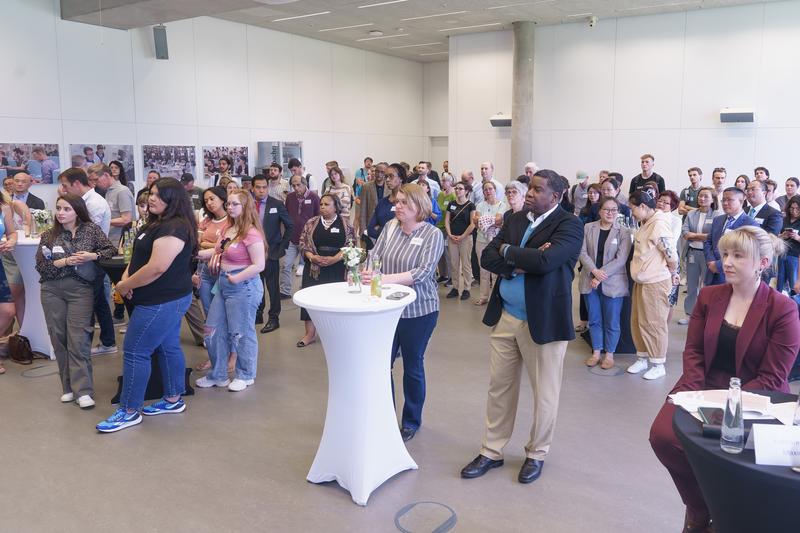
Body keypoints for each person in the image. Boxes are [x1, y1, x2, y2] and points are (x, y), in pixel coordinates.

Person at [650, 226, 799, 533]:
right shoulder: (708, 296)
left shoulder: (782, 309)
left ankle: (723, 515)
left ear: (763, 262)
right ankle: (700, 508)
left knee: (728, 455)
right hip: (703, 385)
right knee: (664, 437)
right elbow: (693, 351)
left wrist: (724, 408)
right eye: (726, 253)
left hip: (757, 396)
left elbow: (772, 377)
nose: (727, 261)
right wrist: (693, 393)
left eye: (738, 256)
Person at [460, 169, 583, 485]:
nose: (529, 193)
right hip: (507, 317)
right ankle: (491, 451)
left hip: (542, 322)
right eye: (529, 188)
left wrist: (509, 253)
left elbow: (547, 262)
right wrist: (517, 258)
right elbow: (488, 256)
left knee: (544, 393)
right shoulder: (515, 219)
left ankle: (537, 453)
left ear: (554, 197)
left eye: (537, 189)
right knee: (499, 387)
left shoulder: (570, 225)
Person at [96, 178, 197, 433]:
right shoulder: (156, 223)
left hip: (163, 300)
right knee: (167, 346)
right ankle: (173, 399)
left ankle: (130, 410)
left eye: (158, 195)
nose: (151, 198)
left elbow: (156, 268)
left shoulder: (175, 227)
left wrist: (123, 285)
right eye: (151, 193)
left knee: (135, 352)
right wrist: (128, 280)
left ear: (173, 199)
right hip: (158, 298)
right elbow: (138, 256)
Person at [360, 184, 444, 442]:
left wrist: (382, 278)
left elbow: (423, 273)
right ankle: (385, 415)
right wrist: (366, 269)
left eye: (402, 203)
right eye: (396, 202)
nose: (395, 206)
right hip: (387, 309)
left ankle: (411, 421)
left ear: (418, 207)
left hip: (420, 311)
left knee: (412, 366)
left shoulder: (432, 235)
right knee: (382, 365)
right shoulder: (390, 227)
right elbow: (375, 256)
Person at [36, 194, 116, 409]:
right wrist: (63, 261)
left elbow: (111, 251)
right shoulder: (49, 236)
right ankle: (68, 388)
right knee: (58, 338)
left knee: (78, 339)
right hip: (52, 290)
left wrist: (92, 256)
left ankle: (83, 390)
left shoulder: (91, 230)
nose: (61, 213)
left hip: (81, 289)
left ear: (77, 211)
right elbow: (42, 267)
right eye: (59, 208)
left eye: (67, 209)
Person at [195, 190, 265, 391]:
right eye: (229, 204)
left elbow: (259, 265)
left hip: (243, 286)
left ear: (245, 207)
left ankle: (246, 374)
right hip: (224, 284)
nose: (230, 207)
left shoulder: (251, 233)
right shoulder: (228, 229)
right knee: (212, 330)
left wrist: (237, 277)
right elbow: (216, 251)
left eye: (235, 204)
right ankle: (218, 374)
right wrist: (193, 253)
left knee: (241, 332)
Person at [627, 190, 678, 381]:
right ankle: (642, 357)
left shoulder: (659, 224)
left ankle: (658, 363)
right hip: (641, 280)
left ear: (642, 206)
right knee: (638, 320)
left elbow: (671, 254)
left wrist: (674, 272)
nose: (631, 213)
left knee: (654, 323)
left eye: (633, 209)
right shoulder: (646, 223)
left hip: (656, 281)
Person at [579, 197, 631, 369]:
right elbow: (582, 252)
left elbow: (621, 259)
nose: (610, 213)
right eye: (607, 209)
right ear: (599, 211)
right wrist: (594, 271)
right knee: (594, 319)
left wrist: (600, 276)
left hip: (613, 282)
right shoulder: (588, 228)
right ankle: (596, 352)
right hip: (589, 279)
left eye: (614, 210)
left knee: (612, 320)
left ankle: (609, 354)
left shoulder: (623, 232)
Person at [297, 194, 355, 348]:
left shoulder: (346, 224)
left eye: (327, 204)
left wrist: (335, 259)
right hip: (314, 267)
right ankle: (310, 334)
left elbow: (351, 244)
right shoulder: (312, 222)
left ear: (336, 206)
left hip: (337, 267)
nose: (322, 207)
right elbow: (302, 242)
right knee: (310, 300)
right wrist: (312, 257)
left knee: (335, 301)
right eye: (321, 204)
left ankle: (336, 333)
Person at [192, 186, 229, 372]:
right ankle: (215, 357)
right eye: (206, 200)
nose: (209, 203)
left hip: (223, 272)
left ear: (223, 199)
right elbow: (197, 244)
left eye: (212, 199)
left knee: (227, 316)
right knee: (210, 318)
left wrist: (211, 245)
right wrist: (215, 245)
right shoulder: (206, 221)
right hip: (205, 272)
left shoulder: (231, 221)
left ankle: (230, 356)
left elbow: (229, 247)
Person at [252, 175, 292, 333]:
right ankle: (258, 313)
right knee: (256, 285)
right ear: (253, 188)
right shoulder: (247, 205)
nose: (261, 190)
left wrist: (282, 247)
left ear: (267, 188)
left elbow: (289, 226)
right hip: (252, 253)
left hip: (271, 253)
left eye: (264, 187)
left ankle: (274, 318)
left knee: (272, 287)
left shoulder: (277, 204)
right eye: (258, 187)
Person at [704, 187, 758, 286]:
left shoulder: (750, 224)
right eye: (723, 200)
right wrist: (710, 261)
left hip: (734, 277)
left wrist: (719, 265)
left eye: (729, 200)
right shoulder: (718, 220)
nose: (725, 203)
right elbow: (708, 242)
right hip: (712, 273)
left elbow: (746, 253)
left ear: (741, 201)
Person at [681, 187, 719, 325]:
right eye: (700, 196)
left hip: (708, 255)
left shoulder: (717, 216)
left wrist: (695, 236)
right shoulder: (691, 214)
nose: (702, 199)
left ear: (712, 199)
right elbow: (685, 232)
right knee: (692, 286)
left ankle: (706, 315)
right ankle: (689, 314)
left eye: (705, 196)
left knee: (707, 286)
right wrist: (703, 237)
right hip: (692, 253)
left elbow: (715, 236)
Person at [282, 174, 320, 297]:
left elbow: (318, 217)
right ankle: (285, 291)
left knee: (308, 268)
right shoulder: (290, 197)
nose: (296, 187)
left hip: (308, 240)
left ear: (304, 184)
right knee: (286, 265)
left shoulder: (314, 197)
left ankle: (305, 290)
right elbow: (286, 216)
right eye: (293, 185)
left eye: (298, 185)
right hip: (292, 238)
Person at [472, 181, 507, 305]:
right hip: (481, 240)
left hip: (496, 242)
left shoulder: (502, 205)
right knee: (483, 270)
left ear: (495, 190)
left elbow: (499, 220)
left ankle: (496, 297)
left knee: (496, 271)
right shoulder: (479, 205)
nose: (488, 191)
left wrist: (484, 220)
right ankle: (484, 296)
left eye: (490, 189)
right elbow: (476, 222)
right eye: (485, 189)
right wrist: (490, 220)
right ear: (483, 192)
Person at [444, 181, 475, 301]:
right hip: (452, 238)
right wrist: (450, 234)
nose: (457, 191)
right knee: (454, 264)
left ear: (466, 191)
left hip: (465, 238)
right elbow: (447, 220)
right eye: (456, 188)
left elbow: (472, 224)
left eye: (460, 189)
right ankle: (455, 288)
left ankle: (467, 288)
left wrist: (462, 236)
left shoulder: (471, 205)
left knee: (466, 264)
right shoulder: (451, 204)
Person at [656, 190, 683, 318]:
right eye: (660, 200)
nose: (661, 204)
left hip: (669, 259)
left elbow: (671, 241)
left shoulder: (675, 221)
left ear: (672, 207)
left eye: (666, 203)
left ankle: (665, 329)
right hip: (654, 261)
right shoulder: (650, 217)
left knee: (669, 298)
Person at [0, 192, 18, 374]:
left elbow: (12, 233)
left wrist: (11, 241)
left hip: (0, 264)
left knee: (8, 310)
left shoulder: (4, 208)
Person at [367, 163, 404, 242]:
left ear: (401, 178)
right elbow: (370, 229)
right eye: (386, 176)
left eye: (391, 176)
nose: (387, 179)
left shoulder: (408, 202)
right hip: (382, 247)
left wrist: (380, 228)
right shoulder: (382, 203)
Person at [359, 162, 390, 247]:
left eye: (382, 172)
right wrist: (362, 230)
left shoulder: (390, 187)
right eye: (377, 171)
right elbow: (363, 210)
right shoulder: (366, 187)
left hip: (386, 226)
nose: (379, 174)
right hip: (370, 225)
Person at [436, 173, 457, 283]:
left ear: (451, 182)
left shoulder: (454, 195)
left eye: (445, 180)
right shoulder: (440, 194)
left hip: (447, 227)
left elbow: (454, 213)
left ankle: (451, 276)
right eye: (442, 180)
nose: (443, 182)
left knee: (448, 253)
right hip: (438, 227)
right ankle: (443, 274)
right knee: (439, 253)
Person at [777, 196, 800, 293]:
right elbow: (776, 236)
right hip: (782, 253)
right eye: (792, 208)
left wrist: (797, 237)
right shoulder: (784, 219)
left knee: (793, 283)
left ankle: (794, 303)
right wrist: (782, 235)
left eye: (797, 209)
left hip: (795, 257)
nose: (794, 211)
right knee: (779, 282)